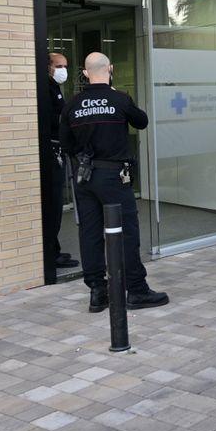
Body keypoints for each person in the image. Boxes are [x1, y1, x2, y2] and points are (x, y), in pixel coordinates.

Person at [59, 52, 168, 312]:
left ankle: (98, 292)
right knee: (127, 232)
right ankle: (137, 290)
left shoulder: (73, 104)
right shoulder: (119, 99)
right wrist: (118, 97)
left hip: (84, 178)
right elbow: (141, 121)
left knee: (90, 233)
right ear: (111, 69)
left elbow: (66, 144)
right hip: (115, 177)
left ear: (85, 73)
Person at [43, 53, 79, 270]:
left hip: (58, 148)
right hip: (51, 151)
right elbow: (51, 118)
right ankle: (50, 254)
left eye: (66, 65)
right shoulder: (45, 88)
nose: (63, 70)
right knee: (53, 204)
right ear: (48, 66)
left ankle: (54, 250)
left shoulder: (54, 87)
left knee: (56, 205)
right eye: (59, 66)